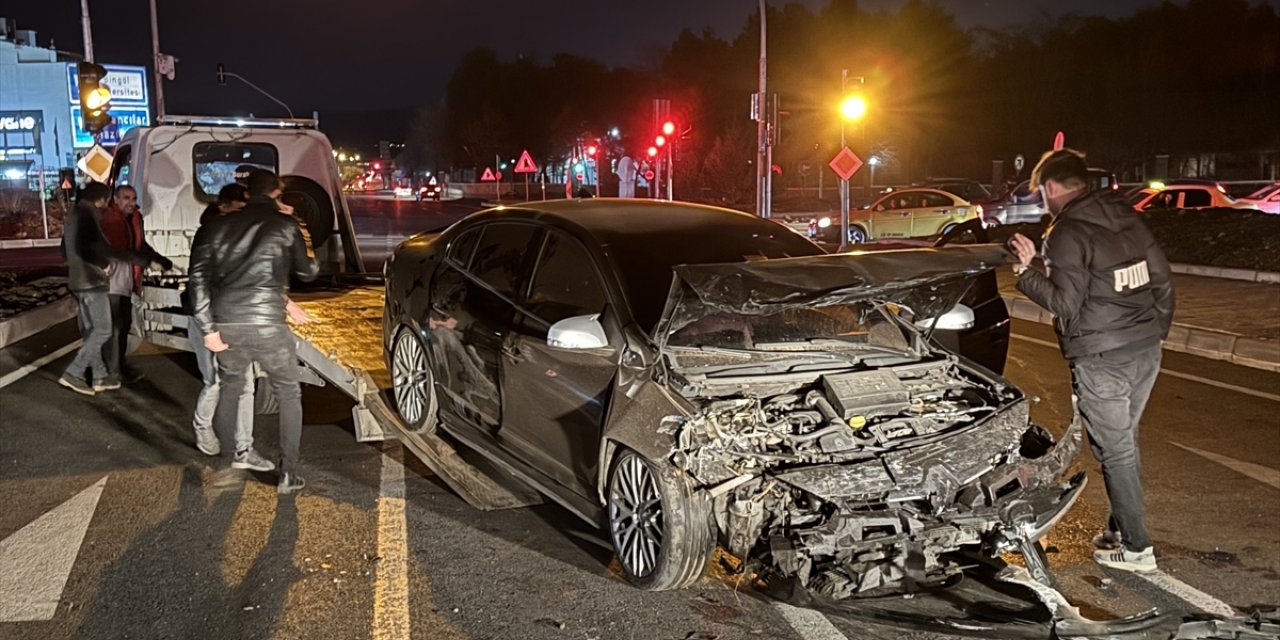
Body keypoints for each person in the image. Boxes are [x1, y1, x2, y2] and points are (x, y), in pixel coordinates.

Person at [1008, 148, 1175, 573]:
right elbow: (1163, 282)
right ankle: (1121, 532)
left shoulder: (1066, 233)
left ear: (1049, 188)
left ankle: (1137, 550)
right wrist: (1154, 333)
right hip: (1144, 348)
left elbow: (1065, 304)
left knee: (1116, 451)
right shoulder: (1125, 217)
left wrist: (1026, 273)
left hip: (1103, 356)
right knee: (1124, 443)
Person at [188, 170, 319, 494]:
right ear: (277, 192)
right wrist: (299, 227)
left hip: (228, 322)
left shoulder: (215, 226)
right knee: (288, 393)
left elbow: (198, 279)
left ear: (247, 192)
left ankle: (229, 463)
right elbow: (308, 270)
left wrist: (207, 328)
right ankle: (288, 473)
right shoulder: (285, 224)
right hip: (268, 323)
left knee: (230, 388)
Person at [184, 184, 255, 456]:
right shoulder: (209, 235)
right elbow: (198, 283)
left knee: (246, 384)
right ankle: (202, 427)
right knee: (214, 381)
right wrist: (207, 327)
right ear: (223, 206)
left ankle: (244, 445)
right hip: (208, 320)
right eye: (237, 210)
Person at [59, 182, 150, 395]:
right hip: (92, 281)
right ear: (101, 198)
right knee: (103, 330)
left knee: (93, 330)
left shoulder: (74, 215)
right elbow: (89, 248)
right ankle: (74, 372)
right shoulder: (89, 215)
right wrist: (104, 264)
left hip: (79, 281)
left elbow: (64, 249)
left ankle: (100, 376)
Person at [99, 184, 173, 385]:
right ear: (115, 199)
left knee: (123, 327)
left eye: (133, 198)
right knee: (115, 328)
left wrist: (159, 259)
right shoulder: (111, 220)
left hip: (128, 279)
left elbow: (139, 245)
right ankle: (111, 372)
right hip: (111, 282)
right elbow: (118, 252)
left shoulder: (133, 218)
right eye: (126, 198)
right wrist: (148, 261)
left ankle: (118, 367)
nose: (131, 202)